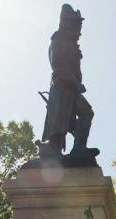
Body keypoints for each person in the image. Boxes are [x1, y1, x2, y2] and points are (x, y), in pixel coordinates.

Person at [40, 4, 95, 158]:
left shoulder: (71, 43)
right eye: (77, 25)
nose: (79, 31)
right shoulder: (58, 40)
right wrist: (76, 83)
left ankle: (79, 148)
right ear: (68, 23)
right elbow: (58, 67)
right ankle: (53, 150)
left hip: (71, 88)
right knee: (60, 122)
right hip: (62, 88)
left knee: (86, 113)